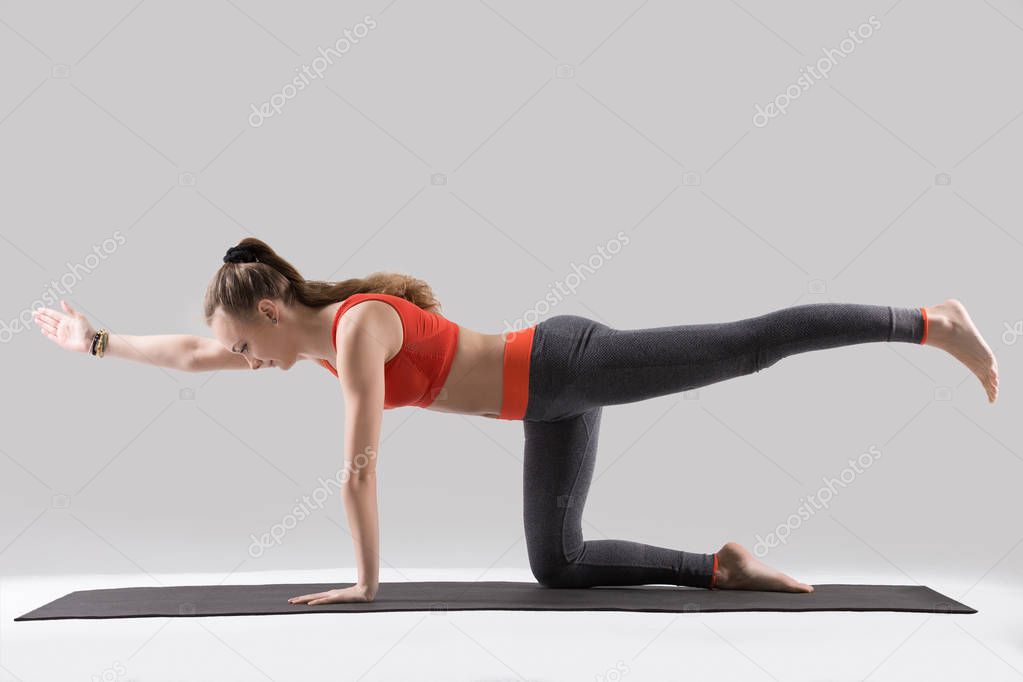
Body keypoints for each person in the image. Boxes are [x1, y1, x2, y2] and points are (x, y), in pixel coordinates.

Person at [31, 238, 999, 606]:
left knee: (742, 347)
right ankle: (722, 565)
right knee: (559, 565)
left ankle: (926, 321)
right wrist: (100, 341)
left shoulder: (360, 326)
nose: (243, 360)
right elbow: (196, 354)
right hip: (545, 406)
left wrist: (365, 584)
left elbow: (360, 464)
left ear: (274, 310)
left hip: (566, 363)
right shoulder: (315, 339)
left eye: (247, 342)